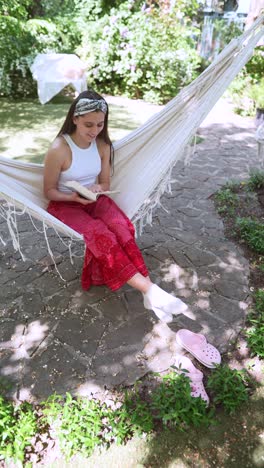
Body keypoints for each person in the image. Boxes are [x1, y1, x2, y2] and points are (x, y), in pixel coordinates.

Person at [44, 89, 195, 323]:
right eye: (88, 125)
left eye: (100, 125)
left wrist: (96, 189)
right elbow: (49, 191)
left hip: (92, 199)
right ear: (74, 118)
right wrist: (74, 198)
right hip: (65, 204)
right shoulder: (59, 149)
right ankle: (149, 290)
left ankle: (149, 292)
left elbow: (104, 183)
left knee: (121, 226)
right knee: (101, 234)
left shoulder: (102, 145)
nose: (94, 131)